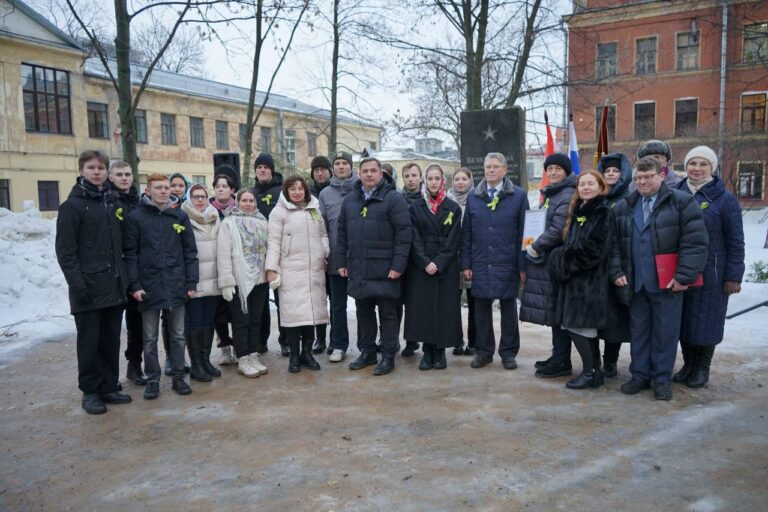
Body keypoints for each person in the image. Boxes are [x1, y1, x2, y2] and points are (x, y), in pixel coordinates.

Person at [609, 157, 708, 400]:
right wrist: (617, 272)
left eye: (648, 177)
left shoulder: (681, 202)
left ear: (661, 175)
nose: (642, 181)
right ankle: (640, 375)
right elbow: (613, 245)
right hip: (636, 283)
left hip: (668, 284)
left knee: (666, 333)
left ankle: (661, 379)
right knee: (639, 332)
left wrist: (684, 276)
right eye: (638, 178)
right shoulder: (624, 206)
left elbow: (695, 243)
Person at [56, 150, 131, 414]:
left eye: (100, 168)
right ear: (81, 171)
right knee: (89, 343)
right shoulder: (72, 207)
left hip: (113, 286)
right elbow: (66, 253)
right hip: (87, 289)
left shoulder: (111, 204)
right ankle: (90, 391)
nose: (97, 172)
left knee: (110, 340)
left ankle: (109, 386)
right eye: (91, 168)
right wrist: (78, 286)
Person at [674, 146, 745, 388]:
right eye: (692, 163)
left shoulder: (725, 200)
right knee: (683, 319)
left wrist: (734, 275)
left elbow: (736, 240)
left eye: (703, 164)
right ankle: (688, 364)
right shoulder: (675, 193)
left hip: (712, 271)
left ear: (712, 168)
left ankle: (702, 367)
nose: (697, 168)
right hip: (680, 268)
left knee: (707, 320)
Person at [123, 174, 199, 400]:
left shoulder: (179, 216)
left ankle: (178, 377)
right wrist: (135, 285)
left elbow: (190, 252)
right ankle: (153, 379)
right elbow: (131, 255)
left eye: (166, 188)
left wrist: (191, 282)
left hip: (176, 285)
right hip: (149, 287)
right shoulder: (136, 218)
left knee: (177, 336)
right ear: (148, 190)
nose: (164, 191)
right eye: (158, 188)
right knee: (150, 338)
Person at [336, 156, 412, 376]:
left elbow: (404, 235)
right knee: (363, 312)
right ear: (359, 174)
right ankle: (367, 351)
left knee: (388, 313)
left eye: (373, 171)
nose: (369, 174)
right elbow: (342, 233)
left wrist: (398, 265)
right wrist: (341, 261)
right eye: (365, 171)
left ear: (381, 174)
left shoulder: (394, 199)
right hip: (358, 266)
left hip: (385, 268)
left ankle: (388, 355)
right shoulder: (350, 200)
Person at [460, 153, 529, 370]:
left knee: (508, 308)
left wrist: (522, 264)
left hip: (507, 260)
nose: (490, 170)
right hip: (481, 261)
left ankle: (508, 353)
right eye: (487, 166)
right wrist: (466, 263)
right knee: (481, 308)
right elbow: (467, 233)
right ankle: (484, 351)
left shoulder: (518, 196)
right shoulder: (474, 196)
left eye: (495, 167)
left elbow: (525, 233)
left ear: (505, 170)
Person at [546, 171, 614, 389]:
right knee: (579, 326)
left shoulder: (602, 211)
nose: (585, 187)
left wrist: (564, 261)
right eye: (582, 184)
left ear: (600, 186)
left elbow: (594, 250)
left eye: (590, 184)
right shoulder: (579, 209)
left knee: (580, 327)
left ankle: (589, 372)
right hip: (575, 280)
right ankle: (594, 372)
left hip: (589, 281)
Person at [520, 153, 577, 379]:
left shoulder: (567, 194)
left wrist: (535, 246)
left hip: (555, 260)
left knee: (559, 314)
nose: (553, 172)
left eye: (557, 169)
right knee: (554, 312)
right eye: (549, 168)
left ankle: (563, 360)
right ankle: (558, 355)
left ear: (566, 171)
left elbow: (558, 228)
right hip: (549, 261)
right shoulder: (552, 193)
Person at [266, 177, 330, 373]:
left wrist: (324, 251)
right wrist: (271, 268)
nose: (297, 192)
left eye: (300, 189)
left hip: (314, 269)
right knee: (294, 317)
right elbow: (274, 241)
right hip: (290, 269)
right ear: (286, 191)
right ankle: (294, 355)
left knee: (311, 315)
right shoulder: (278, 212)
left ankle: (307, 354)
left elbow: (323, 234)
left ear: (306, 191)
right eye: (292, 189)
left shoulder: (314, 209)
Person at [404, 164, 462, 370]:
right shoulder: (415, 208)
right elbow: (413, 238)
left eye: (437, 179)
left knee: (444, 310)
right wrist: (425, 262)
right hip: (421, 267)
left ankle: (440, 352)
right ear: (424, 181)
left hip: (445, 267)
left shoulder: (453, 208)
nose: (434, 182)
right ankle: (427, 352)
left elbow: (454, 240)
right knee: (424, 309)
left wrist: (438, 263)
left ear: (442, 181)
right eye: (430, 179)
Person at [217, 189, 270, 378]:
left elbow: (269, 249)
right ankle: (243, 357)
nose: (248, 204)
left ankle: (253, 354)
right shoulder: (228, 223)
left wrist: (272, 271)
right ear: (237, 202)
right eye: (244, 200)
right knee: (241, 321)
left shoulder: (263, 222)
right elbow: (223, 254)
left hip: (259, 280)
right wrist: (226, 282)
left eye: (251, 200)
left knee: (256, 319)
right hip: (239, 281)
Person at [596, 152, 634, 377]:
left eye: (615, 171)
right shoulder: (596, 196)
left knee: (617, 319)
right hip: (596, 267)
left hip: (619, 265)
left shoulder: (628, 198)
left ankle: (611, 361)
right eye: (606, 171)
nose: (610, 174)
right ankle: (596, 361)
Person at [108, 160, 146, 386]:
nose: (124, 178)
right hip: (114, 271)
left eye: (128, 174)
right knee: (112, 327)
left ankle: (135, 365)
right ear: (111, 177)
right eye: (119, 174)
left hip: (136, 271)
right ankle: (109, 376)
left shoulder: (138, 202)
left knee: (137, 323)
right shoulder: (107, 201)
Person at [181, 184, 223, 382]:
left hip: (213, 280)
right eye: (196, 197)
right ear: (189, 199)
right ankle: (196, 364)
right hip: (195, 281)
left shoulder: (215, 217)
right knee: (195, 323)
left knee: (208, 322)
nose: (200, 200)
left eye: (203, 197)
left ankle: (205, 360)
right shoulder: (183, 219)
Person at [318, 151, 357, 362]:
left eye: (345, 163)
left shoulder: (362, 189)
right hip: (336, 257)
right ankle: (339, 344)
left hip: (360, 257)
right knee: (338, 304)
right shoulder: (325, 194)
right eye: (337, 163)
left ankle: (367, 344)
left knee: (365, 304)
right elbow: (321, 226)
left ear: (351, 166)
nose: (341, 167)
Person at [252, 153, 288, 357]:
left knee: (281, 298)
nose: (263, 170)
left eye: (266, 167)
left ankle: (285, 340)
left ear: (272, 170)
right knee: (259, 301)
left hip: (278, 254)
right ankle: (260, 340)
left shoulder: (281, 191)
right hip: (256, 256)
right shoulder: (250, 193)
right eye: (259, 167)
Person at [447, 167, 476, 356]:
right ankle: (457, 341)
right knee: (453, 304)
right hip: (451, 259)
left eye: (464, 179)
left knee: (475, 303)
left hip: (472, 258)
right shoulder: (446, 201)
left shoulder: (477, 199)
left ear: (470, 181)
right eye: (457, 179)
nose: (460, 182)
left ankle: (474, 342)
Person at [210, 174, 238, 365]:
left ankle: (239, 347)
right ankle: (225, 347)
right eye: (218, 186)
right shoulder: (208, 210)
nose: (221, 189)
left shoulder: (239, 209)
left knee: (235, 311)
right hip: (213, 267)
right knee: (219, 313)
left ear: (232, 190)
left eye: (225, 186)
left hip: (235, 268)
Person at [399, 162, 423, 357]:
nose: (411, 179)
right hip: (401, 258)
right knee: (397, 301)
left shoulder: (427, 199)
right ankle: (395, 339)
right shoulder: (396, 200)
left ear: (421, 178)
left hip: (420, 258)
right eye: (407, 176)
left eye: (414, 175)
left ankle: (413, 339)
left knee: (416, 302)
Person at [308, 155, 332, 355]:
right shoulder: (307, 194)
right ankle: (320, 338)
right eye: (316, 169)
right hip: (314, 254)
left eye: (323, 169)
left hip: (335, 253)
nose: (320, 172)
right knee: (317, 298)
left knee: (336, 299)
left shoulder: (335, 191)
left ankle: (336, 339)